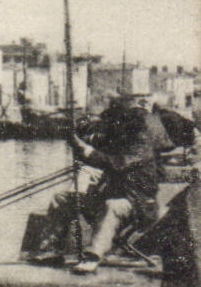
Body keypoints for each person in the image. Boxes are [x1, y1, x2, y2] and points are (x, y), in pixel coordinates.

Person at [66, 92, 173, 274]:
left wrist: (86, 150)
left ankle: (93, 257)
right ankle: (49, 250)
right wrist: (78, 140)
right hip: (115, 195)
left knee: (113, 206)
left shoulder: (139, 144)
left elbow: (118, 163)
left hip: (139, 204)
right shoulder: (121, 138)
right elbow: (99, 146)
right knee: (63, 198)